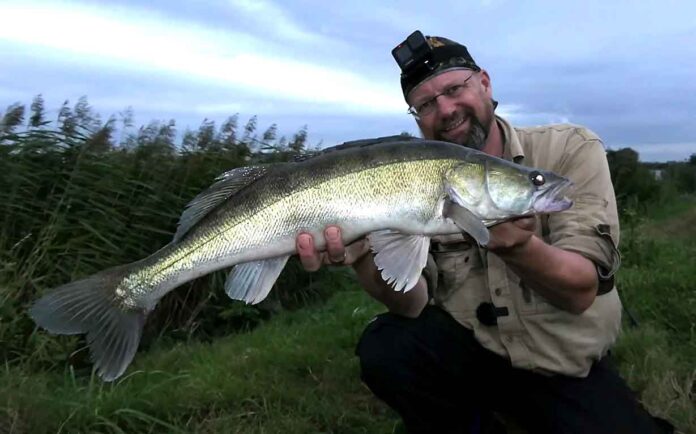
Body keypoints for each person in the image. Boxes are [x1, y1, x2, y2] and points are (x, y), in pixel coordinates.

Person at [295, 31, 673, 434]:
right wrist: (364, 258)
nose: (445, 109)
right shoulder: (408, 180)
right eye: (425, 104)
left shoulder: (569, 148)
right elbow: (411, 305)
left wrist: (519, 247)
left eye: (454, 88)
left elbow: (580, 289)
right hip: (473, 354)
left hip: (562, 366)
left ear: (485, 83)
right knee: (387, 345)